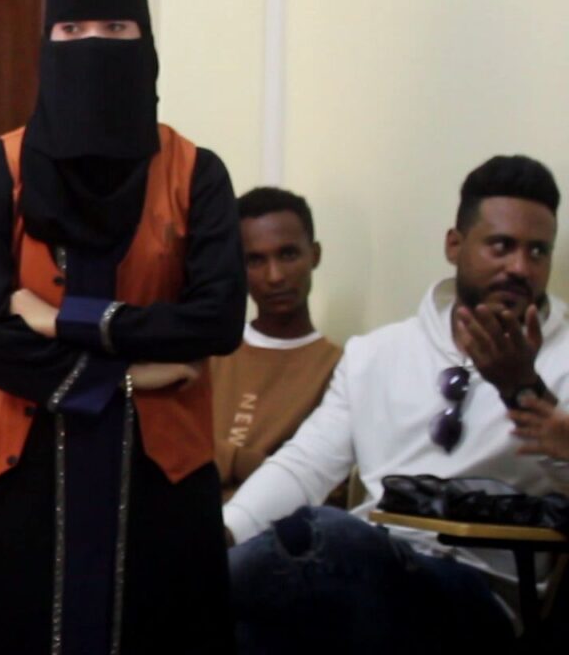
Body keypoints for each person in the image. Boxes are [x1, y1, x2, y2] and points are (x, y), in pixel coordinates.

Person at [0, 0, 246, 654]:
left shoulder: (195, 173)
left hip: (158, 478)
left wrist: (64, 319)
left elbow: (217, 319)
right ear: (46, 42)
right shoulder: (2, 170)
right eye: (72, 30)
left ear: (146, 42)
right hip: (18, 469)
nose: (94, 45)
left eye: (115, 28)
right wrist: (122, 376)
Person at [225, 155, 569, 654]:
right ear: (454, 245)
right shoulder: (377, 354)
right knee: (249, 626)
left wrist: (523, 390)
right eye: (501, 246)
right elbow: (304, 466)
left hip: (479, 597)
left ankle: (187, 587)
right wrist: (225, 531)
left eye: (538, 251)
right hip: (362, 574)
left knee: (324, 535)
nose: (520, 267)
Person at [212, 187, 342, 501]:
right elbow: (169, 451)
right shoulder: (209, 350)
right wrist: (247, 462)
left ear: (315, 255)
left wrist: (222, 458)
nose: (274, 276)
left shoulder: (341, 369)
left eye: (288, 255)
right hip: (183, 521)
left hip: (273, 529)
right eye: (255, 260)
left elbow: (332, 486)